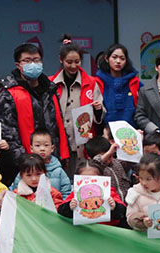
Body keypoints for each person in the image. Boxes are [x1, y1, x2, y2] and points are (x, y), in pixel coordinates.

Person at [0, 43, 69, 185]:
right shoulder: (8, 94)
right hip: (23, 166)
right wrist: (25, 161)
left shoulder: (50, 89)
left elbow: (57, 124)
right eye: (27, 61)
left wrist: (61, 155)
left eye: (36, 60)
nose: (33, 64)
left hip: (51, 161)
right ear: (18, 65)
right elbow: (7, 133)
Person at [49, 35, 105, 177]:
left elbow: (101, 115)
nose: (73, 66)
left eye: (77, 61)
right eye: (69, 62)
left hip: (83, 143)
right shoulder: (51, 84)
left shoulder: (91, 83)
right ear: (61, 60)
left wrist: (98, 110)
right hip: (59, 142)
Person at [58, 160, 127, 228]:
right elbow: (61, 211)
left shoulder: (109, 193)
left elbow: (123, 212)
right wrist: (69, 207)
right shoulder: (76, 195)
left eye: (93, 178)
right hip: (84, 231)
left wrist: (115, 207)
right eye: (85, 179)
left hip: (106, 231)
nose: (89, 182)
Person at [9, 131, 72, 198]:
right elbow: (15, 194)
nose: (42, 149)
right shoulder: (25, 169)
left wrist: (60, 204)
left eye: (46, 145)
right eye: (37, 145)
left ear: (52, 148)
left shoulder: (58, 171)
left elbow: (66, 194)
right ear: (31, 148)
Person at [97, 43, 140, 126]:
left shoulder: (134, 82)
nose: (118, 61)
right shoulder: (98, 82)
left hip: (132, 129)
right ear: (107, 58)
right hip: (105, 130)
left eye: (122, 58)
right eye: (114, 57)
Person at [84, 136, 131, 201]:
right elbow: (97, 162)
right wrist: (109, 153)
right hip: (111, 202)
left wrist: (137, 140)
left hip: (126, 200)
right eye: (106, 157)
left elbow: (130, 160)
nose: (109, 159)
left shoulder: (117, 162)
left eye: (111, 156)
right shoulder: (95, 169)